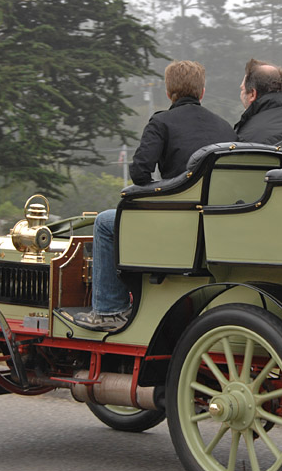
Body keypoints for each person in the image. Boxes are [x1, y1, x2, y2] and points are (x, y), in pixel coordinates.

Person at [61, 60, 236, 332]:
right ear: (202, 92)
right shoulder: (226, 128)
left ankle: (109, 310)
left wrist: (163, 193)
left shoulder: (162, 122)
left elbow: (140, 172)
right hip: (217, 228)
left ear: (169, 92)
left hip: (177, 226)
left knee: (105, 223)